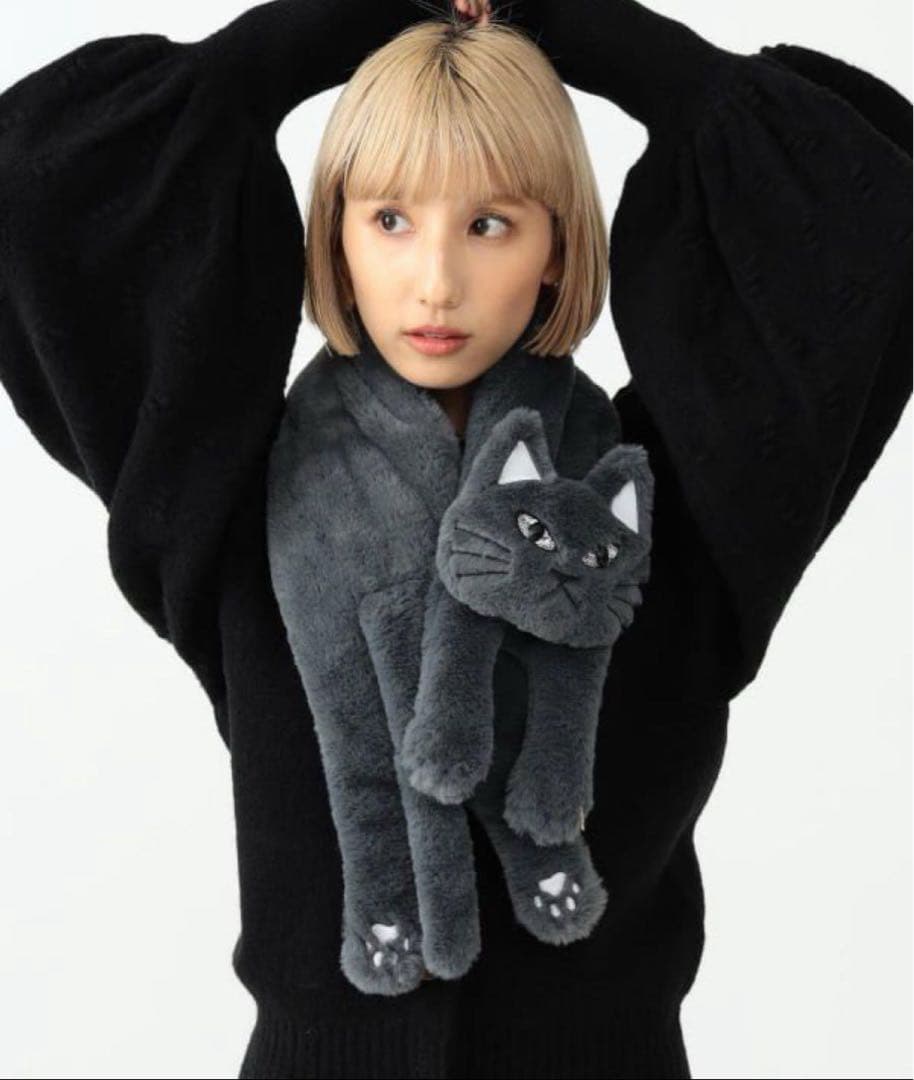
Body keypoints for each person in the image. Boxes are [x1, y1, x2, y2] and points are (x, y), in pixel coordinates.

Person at [0, 0, 909, 1076]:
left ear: (557, 244)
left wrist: (569, 24)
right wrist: (346, 21)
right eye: (389, 218)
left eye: (489, 224)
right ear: (330, 235)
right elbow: (34, 181)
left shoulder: (666, 502)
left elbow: (866, 203)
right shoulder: (233, 499)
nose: (435, 281)